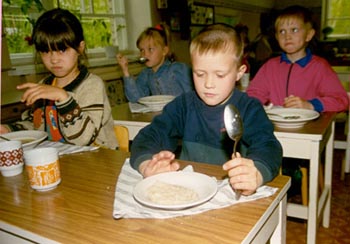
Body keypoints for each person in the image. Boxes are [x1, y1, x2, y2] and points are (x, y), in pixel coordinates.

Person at [130, 24, 282, 196]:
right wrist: (147, 166)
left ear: (239, 73)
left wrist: (257, 173)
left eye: (220, 75)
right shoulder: (184, 105)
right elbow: (149, 136)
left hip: (232, 195)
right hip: (189, 192)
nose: (208, 84)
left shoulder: (249, 108)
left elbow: (269, 146)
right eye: (200, 74)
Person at [0, 8, 118, 149]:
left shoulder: (92, 85)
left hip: (98, 159)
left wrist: (63, 97)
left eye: (62, 50)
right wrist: (11, 130)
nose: (54, 59)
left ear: (80, 48)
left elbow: (83, 139)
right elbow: (36, 125)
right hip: (60, 158)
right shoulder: (44, 85)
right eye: (46, 51)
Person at [247, 5, 349, 112]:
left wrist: (310, 105)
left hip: (310, 127)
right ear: (277, 37)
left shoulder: (320, 67)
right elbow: (254, 94)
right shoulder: (270, 66)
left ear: (309, 35)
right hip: (276, 126)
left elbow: (341, 100)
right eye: (282, 31)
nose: (287, 36)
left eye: (294, 30)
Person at [116, 24, 193, 103]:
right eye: (142, 50)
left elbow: (193, 96)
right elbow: (135, 98)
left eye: (150, 49)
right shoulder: (146, 74)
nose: (145, 54)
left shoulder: (178, 69)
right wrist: (125, 71)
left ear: (164, 51)